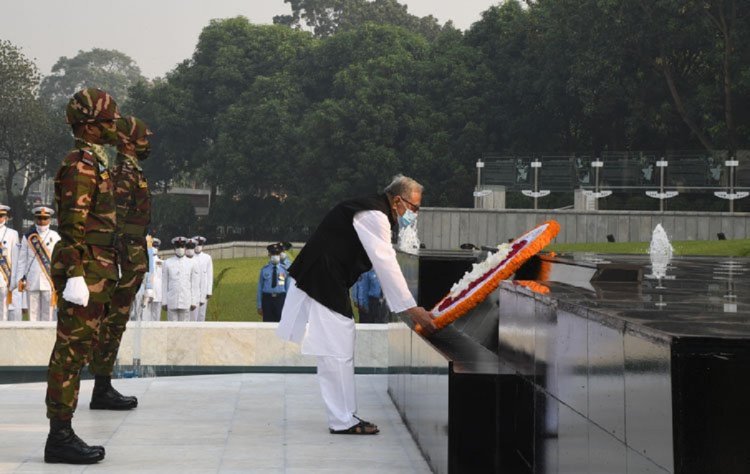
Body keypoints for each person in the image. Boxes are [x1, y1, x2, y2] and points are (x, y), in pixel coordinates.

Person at [277, 174, 436, 435]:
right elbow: (386, 261)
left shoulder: (374, 210)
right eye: (414, 207)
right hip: (323, 276)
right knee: (336, 346)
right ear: (398, 200)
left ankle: (346, 416)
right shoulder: (374, 215)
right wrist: (411, 307)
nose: (415, 213)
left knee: (340, 342)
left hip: (327, 276)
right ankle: (342, 420)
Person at [45, 88, 122, 464]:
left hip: (97, 268)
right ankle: (59, 436)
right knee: (70, 355)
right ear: (88, 126)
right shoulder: (80, 166)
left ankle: (62, 431)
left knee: (78, 353)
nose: (112, 126)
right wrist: (75, 274)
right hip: (85, 270)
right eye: (106, 121)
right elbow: (72, 226)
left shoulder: (94, 161)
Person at [89, 116, 152, 404]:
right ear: (129, 140)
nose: (147, 142)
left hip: (130, 256)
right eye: (143, 137)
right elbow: (115, 220)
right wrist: (118, 261)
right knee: (113, 323)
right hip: (125, 257)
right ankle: (101, 387)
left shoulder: (131, 171)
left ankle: (103, 385)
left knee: (116, 323)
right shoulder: (125, 173)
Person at [17, 206, 61, 321]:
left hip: (49, 279)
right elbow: (22, 260)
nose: (42, 221)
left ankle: (47, 339)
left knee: (49, 314)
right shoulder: (28, 237)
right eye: (39, 218)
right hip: (32, 279)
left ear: (49, 220)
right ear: (35, 219)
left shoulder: (55, 236)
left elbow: (59, 259)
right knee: (32, 314)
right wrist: (20, 278)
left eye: (45, 218)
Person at [162, 236, 199, 322]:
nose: (180, 249)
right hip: (172, 299)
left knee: (185, 327)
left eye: (182, 247)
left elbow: (194, 284)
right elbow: (164, 283)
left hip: (186, 299)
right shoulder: (167, 263)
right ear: (174, 248)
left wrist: (194, 301)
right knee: (171, 327)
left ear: (185, 247)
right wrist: (164, 301)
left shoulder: (191, 263)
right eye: (178, 247)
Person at [257, 243, 290, 322]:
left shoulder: (284, 270)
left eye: (277, 253)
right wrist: (259, 305)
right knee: (267, 324)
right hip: (267, 299)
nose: (275, 256)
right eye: (273, 253)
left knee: (281, 324)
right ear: (269, 254)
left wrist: (289, 305)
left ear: (280, 255)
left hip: (280, 300)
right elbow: (260, 288)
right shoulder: (264, 270)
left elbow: (288, 288)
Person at [0, 204, 19, 321]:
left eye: (1, 216)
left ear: (6, 217)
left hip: (4, 277)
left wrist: (13, 279)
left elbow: (15, 258)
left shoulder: (12, 233)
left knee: (3, 309)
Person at [141, 237, 163, 321]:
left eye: (156, 246)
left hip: (158, 293)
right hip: (146, 293)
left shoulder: (162, 262)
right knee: (145, 317)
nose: (154, 248)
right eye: (152, 246)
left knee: (156, 318)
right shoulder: (144, 261)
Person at [192, 236, 213, 321]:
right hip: (193, 290)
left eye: (200, 244)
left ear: (203, 245)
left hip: (203, 290)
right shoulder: (190, 256)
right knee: (193, 315)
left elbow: (209, 274)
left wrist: (209, 291)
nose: (198, 246)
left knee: (202, 315)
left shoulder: (207, 258)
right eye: (196, 244)